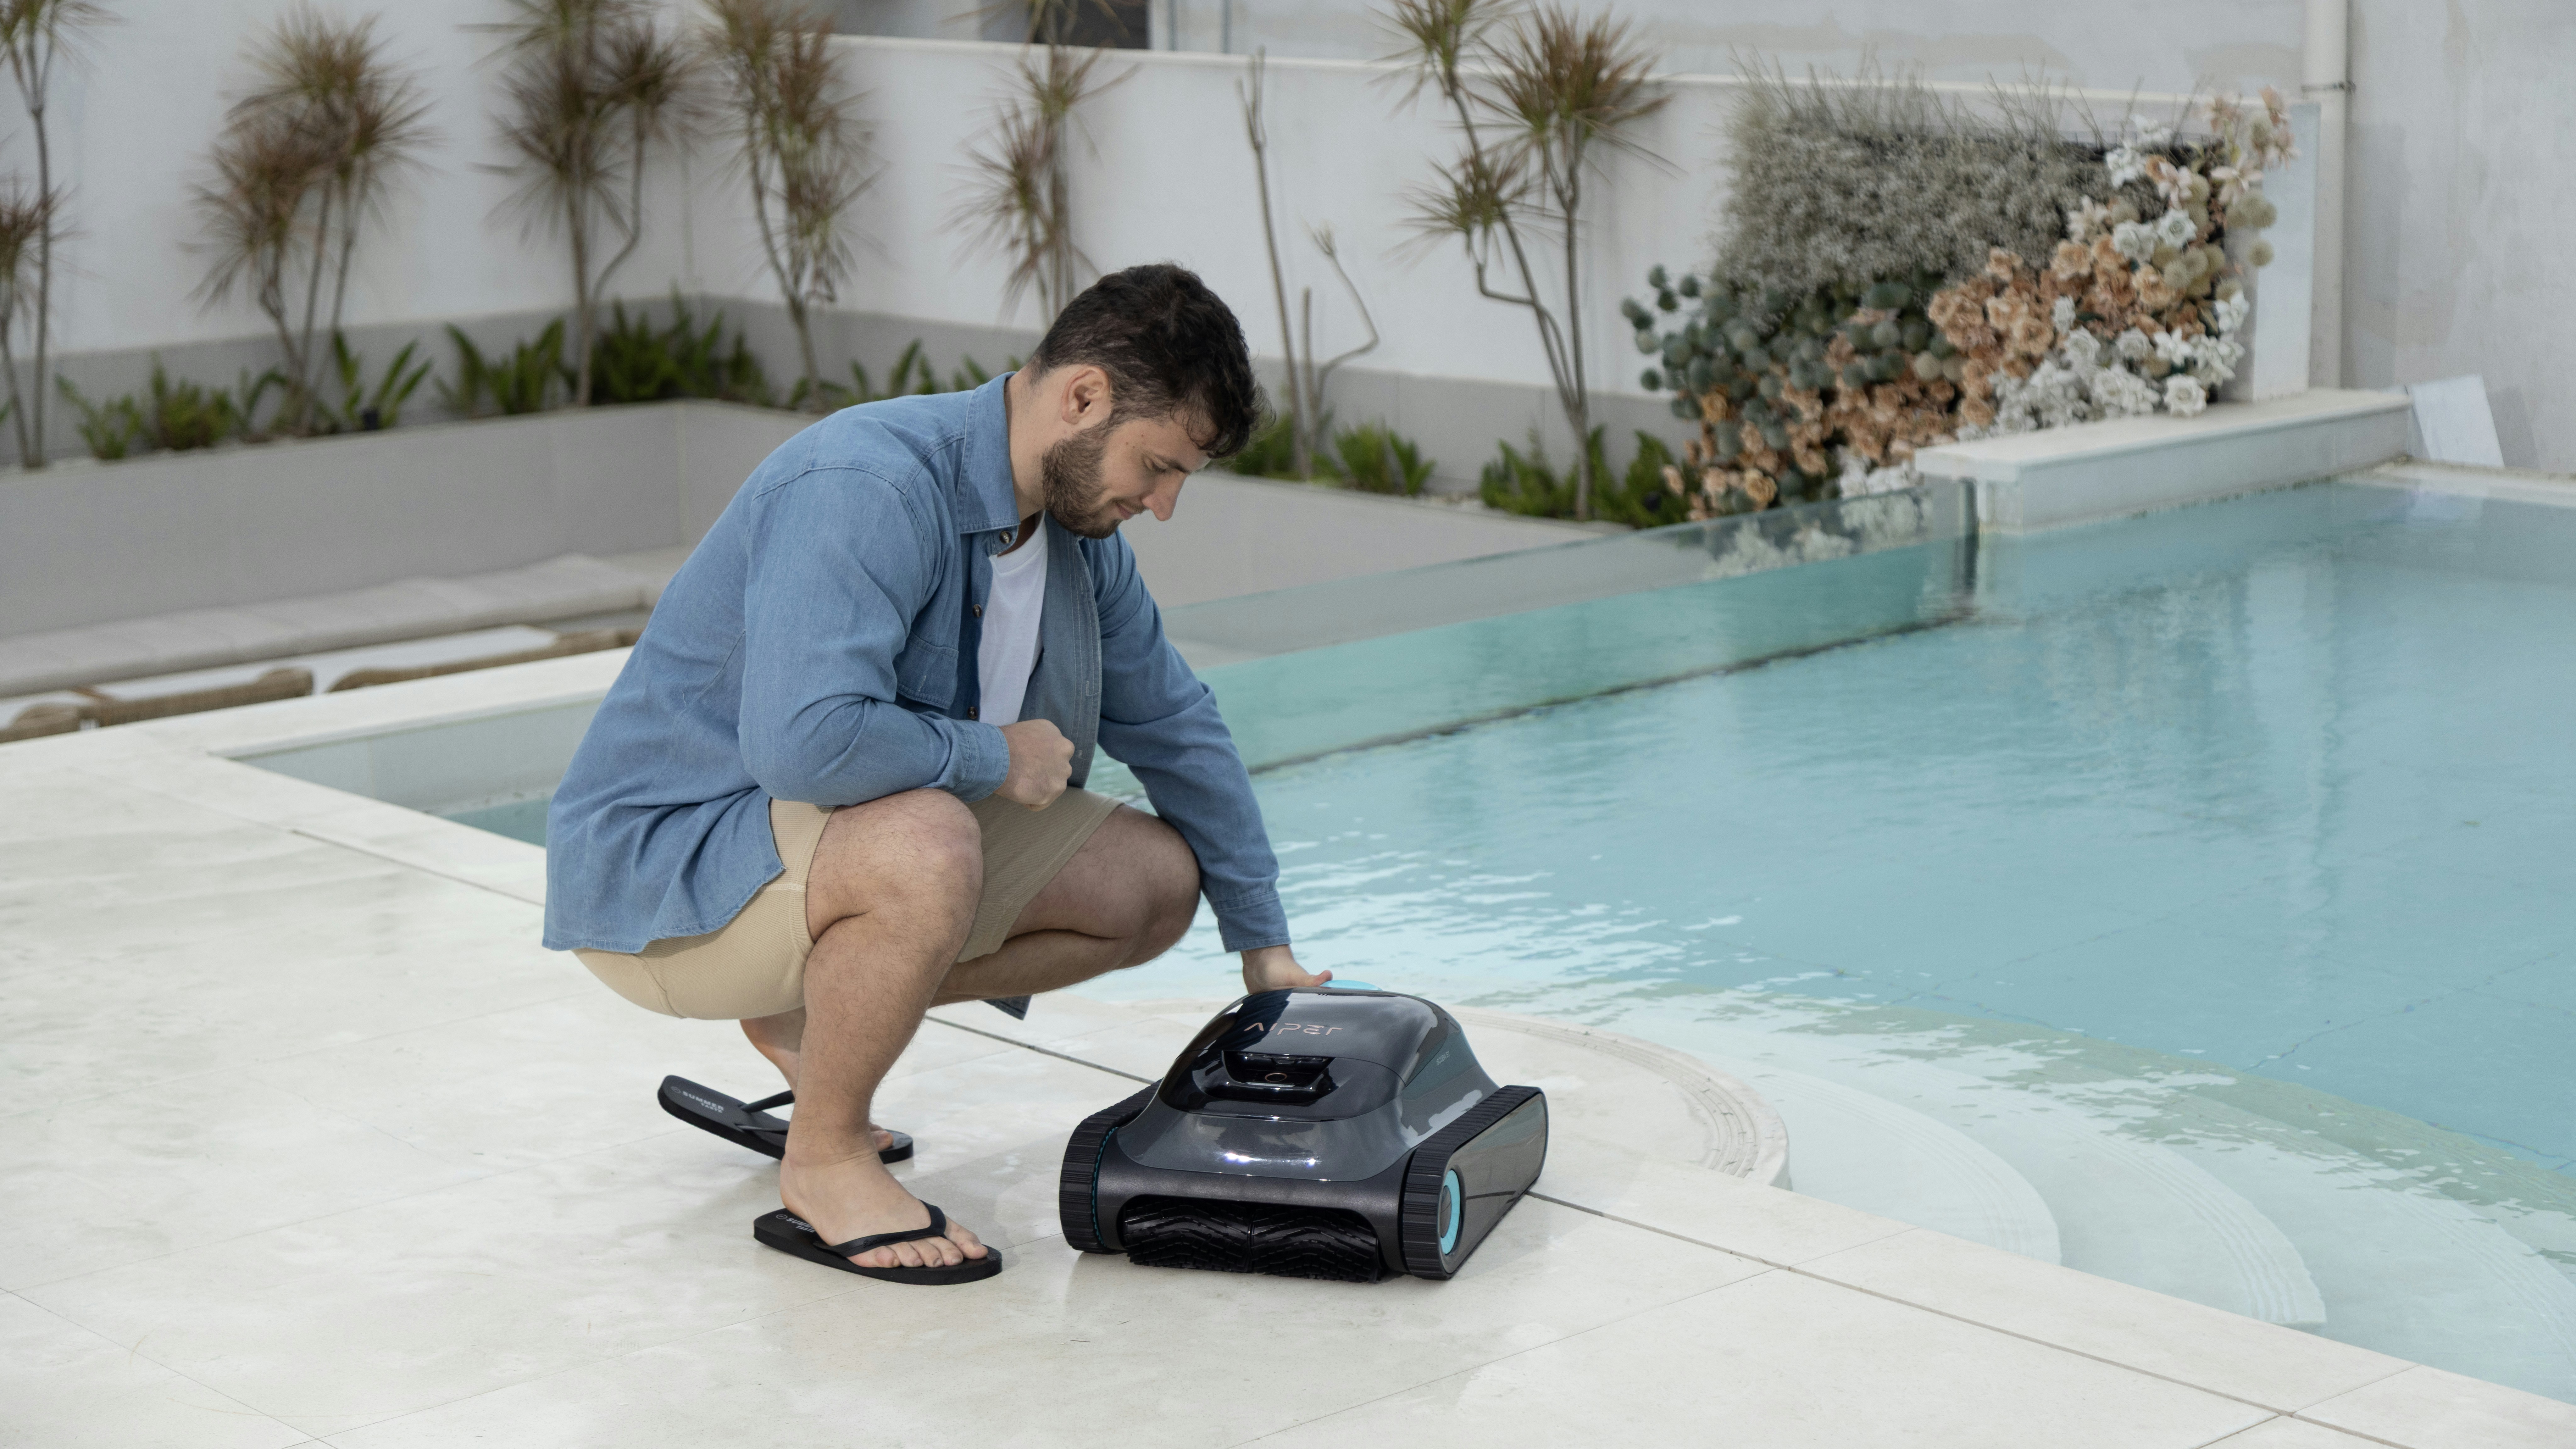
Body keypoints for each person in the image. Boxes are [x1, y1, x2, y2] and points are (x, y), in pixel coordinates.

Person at [542, 263, 1328, 1282]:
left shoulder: (1079, 543)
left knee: (1154, 883)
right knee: (931, 836)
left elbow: (1177, 723)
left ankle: (812, 1021)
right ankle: (825, 1157)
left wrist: (1262, 940)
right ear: (1082, 398)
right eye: (1160, 463)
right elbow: (802, 745)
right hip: (670, 878)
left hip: (819, 853)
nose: (1165, 503)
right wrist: (992, 755)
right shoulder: (867, 486)